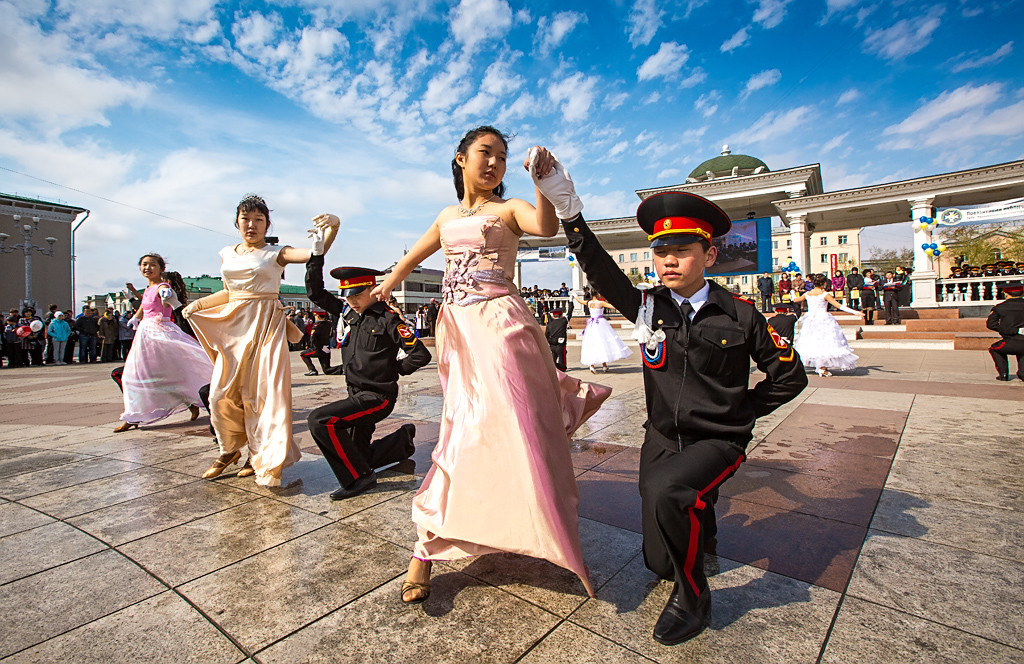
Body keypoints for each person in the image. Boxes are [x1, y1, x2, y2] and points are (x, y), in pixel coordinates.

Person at [550, 179, 808, 644]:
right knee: (658, 561)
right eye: (660, 250)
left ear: (709, 255)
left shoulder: (742, 314)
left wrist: (740, 411)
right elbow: (603, 270)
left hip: (718, 439)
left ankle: (694, 600)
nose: (668, 259)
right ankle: (702, 525)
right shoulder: (648, 307)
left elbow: (791, 377)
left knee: (670, 492)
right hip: (663, 438)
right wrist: (569, 212)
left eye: (682, 249)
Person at [370, 127, 611, 605]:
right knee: (464, 428)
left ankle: (527, 528)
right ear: (461, 159)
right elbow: (412, 258)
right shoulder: (445, 215)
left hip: (502, 326)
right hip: (456, 330)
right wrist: (385, 285)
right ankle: (430, 545)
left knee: (514, 426)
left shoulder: (509, 208)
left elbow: (544, 227)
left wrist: (545, 183)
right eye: (485, 153)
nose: (494, 163)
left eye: (501, 157)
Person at [183, 195, 334, 486]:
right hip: (234, 327)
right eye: (246, 219)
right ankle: (229, 448)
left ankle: (262, 456)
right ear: (237, 222)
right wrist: (198, 305)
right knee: (220, 393)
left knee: (264, 394)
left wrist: (333, 227)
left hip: (266, 325)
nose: (251, 225)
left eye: (259, 220)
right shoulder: (228, 253)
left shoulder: (276, 253)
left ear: (267, 224)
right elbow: (229, 292)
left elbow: (314, 252)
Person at [304, 260, 431, 499]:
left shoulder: (389, 318)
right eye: (347, 296)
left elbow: (420, 355)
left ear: (372, 290)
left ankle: (358, 480)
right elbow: (316, 293)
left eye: (357, 294)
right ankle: (401, 442)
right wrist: (316, 256)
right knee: (358, 457)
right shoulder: (350, 314)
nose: (351, 301)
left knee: (320, 421)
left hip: (377, 397)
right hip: (355, 394)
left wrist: (393, 370)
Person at [115, 254, 213, 432]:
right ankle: (133, 415)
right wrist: (136, 319)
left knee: (181, 370)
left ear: (161, 268)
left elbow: (165, 297)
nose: (148, 268)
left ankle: (193, 400)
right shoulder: (147, 289)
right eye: (144, 265)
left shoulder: (163, 286)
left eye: (152, 265)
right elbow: (143, 307)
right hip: (144, 335)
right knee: (133, 376)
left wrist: (165, 294)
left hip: (161, 333)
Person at [792, 274, 862, 377]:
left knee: (812, 341)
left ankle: (819, 367)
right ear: (824, 283)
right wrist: (855, 312)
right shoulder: (825, 294)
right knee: (825, 341)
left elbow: (796, 300)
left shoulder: (808, 293)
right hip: (823, 318)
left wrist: (792, 293)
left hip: (810, 319)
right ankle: (822, 367)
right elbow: (838, 305)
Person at [576, 292, 632, 373]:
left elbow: (580, 301)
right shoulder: (601, 303)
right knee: (603, 344)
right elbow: (613, 307)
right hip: (600, 324)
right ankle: (604, 366)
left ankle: (592, 366)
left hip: (591, 325)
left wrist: (576, 296)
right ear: (597, 294)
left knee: (592, 344)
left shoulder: (589, 303)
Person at [986, 283, 1024, 381]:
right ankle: (1022, 373)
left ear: (1006, 294)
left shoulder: (1000, 307)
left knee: (995, 349)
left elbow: (991, 324)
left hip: (1011, 340)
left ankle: (1003, 374)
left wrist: (1011, 330)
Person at [300, 310, 333, 376]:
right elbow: (331, 334)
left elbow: (313, 338)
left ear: (317, 316)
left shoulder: (316, 326)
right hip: (326, 348)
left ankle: (312, 370)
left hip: (318, 349)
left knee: (303, 354)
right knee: (327, 370)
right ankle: (342, 368)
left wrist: (313, 348)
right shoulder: (329, 324)